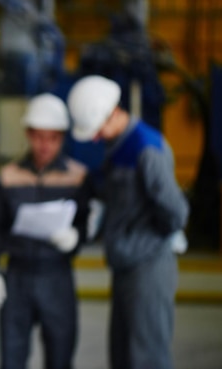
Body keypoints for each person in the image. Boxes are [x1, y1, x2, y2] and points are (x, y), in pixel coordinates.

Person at [67, 75, 189, 369]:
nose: (94, 137)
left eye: (97, 130)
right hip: (127, 264)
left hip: (148, 267)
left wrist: (149, 238)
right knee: (124, 355)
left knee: (146, 356)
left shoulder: (146, 148)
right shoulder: (119, 146)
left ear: (113, 113)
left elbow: (175, 211)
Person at [0, 93, 89, 369]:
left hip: (57, 275)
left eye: (52, 138)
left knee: (60, 357)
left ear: (62, 137)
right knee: (12, 359)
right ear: (28, 134)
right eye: (39, 137)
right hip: (18, 275)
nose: (45, 145)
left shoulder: (77, 177)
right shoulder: (8, 176)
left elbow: (87, 220)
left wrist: (76, 238)